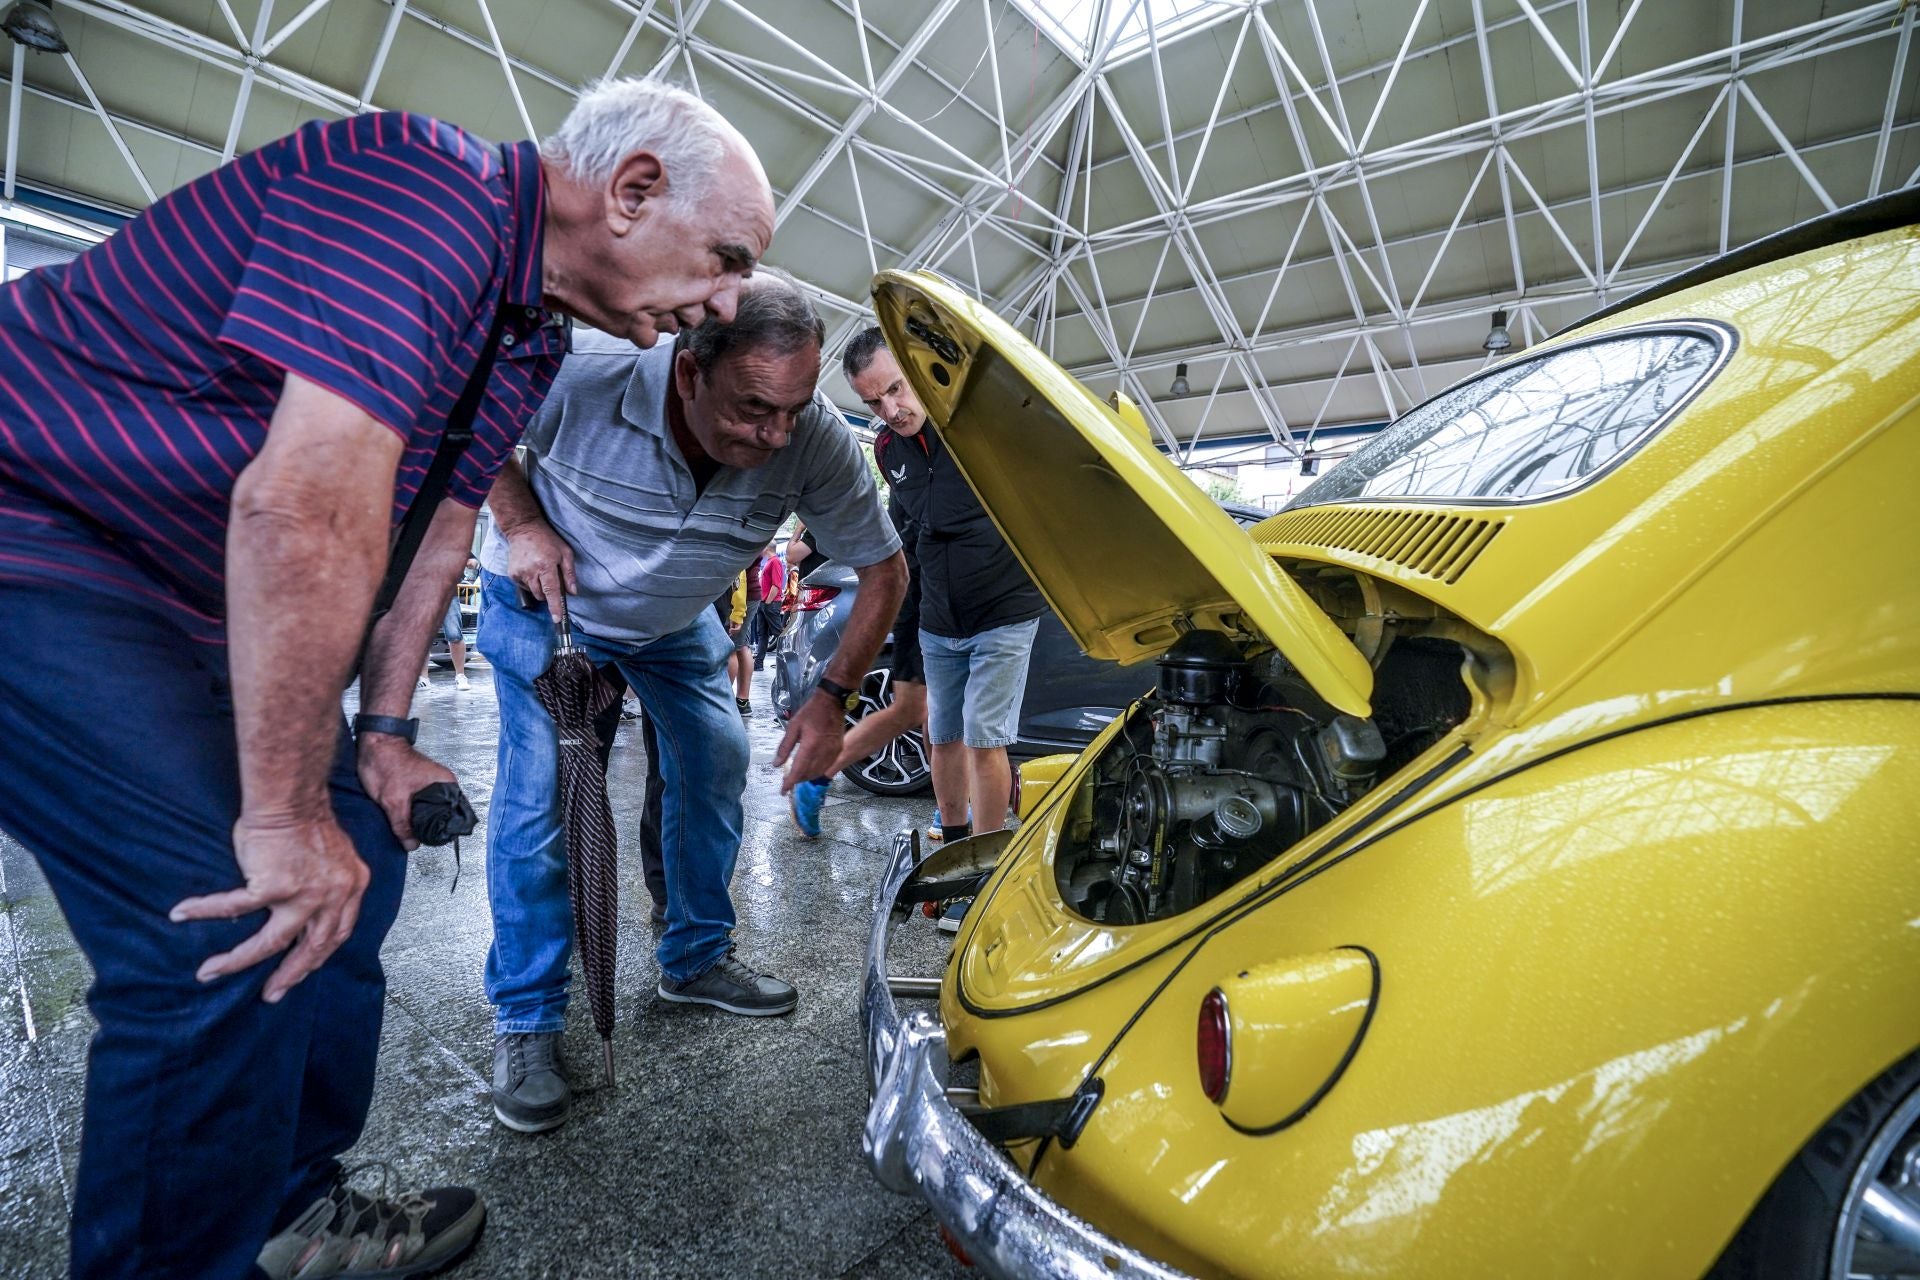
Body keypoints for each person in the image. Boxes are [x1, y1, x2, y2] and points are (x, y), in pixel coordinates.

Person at [0, 76, 772, 1280]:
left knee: (358, 837)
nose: (726, 298)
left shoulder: (526, 328)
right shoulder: (424, 186)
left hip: (165, 587)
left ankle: (286, 1204)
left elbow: (433, 531)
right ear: (630, 192)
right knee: (235, 911)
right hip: (37, 527)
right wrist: (276, 811)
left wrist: (386, 730)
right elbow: (303, 505)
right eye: (726, 256)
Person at [478, 270, 906, 1134]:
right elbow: (474, 435)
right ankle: (527, 1019)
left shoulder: (813, 439)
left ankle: (695, 957)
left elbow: (886, 571)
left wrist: (829, 700)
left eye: (792, 409)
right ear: (687, 372)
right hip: (550, 604)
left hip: (673, 621)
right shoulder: (587, 372)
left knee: (718, 757)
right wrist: (523, 525)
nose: (776, 433)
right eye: (754, 408)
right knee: (543, 799)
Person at [842, 327, 1045, 851]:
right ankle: (953, 849)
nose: (889, 409)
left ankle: (981, 865)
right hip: (938, 621)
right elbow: (903, 538)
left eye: (895, 389)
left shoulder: (984, 432)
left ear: (920, 374)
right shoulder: (889, 450)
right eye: (873, 401)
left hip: (1003, 613)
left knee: (983, 740)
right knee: (943, 736)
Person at [788, 496, 928, 838]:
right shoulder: (911, 462)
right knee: (931, 713)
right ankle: (957, 814)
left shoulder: (912, 462)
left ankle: (817, 776)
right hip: (930, 598)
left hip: (927, 594)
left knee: (918, 711)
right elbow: (797, 553)